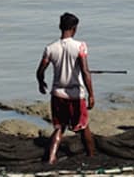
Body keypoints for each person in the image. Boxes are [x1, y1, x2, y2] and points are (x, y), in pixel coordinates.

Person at [36, 12, 95, 164]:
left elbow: (40, 71)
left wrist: (41, 83)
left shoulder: (50, 48)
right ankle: (91, 156)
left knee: (59, 127)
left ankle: (51, 157)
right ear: (74, 29)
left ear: (60, 27)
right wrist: (91, 95)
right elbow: (85, 72)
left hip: (57, 95)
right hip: (75, 95)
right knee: (83, 127)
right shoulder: (80, 47)